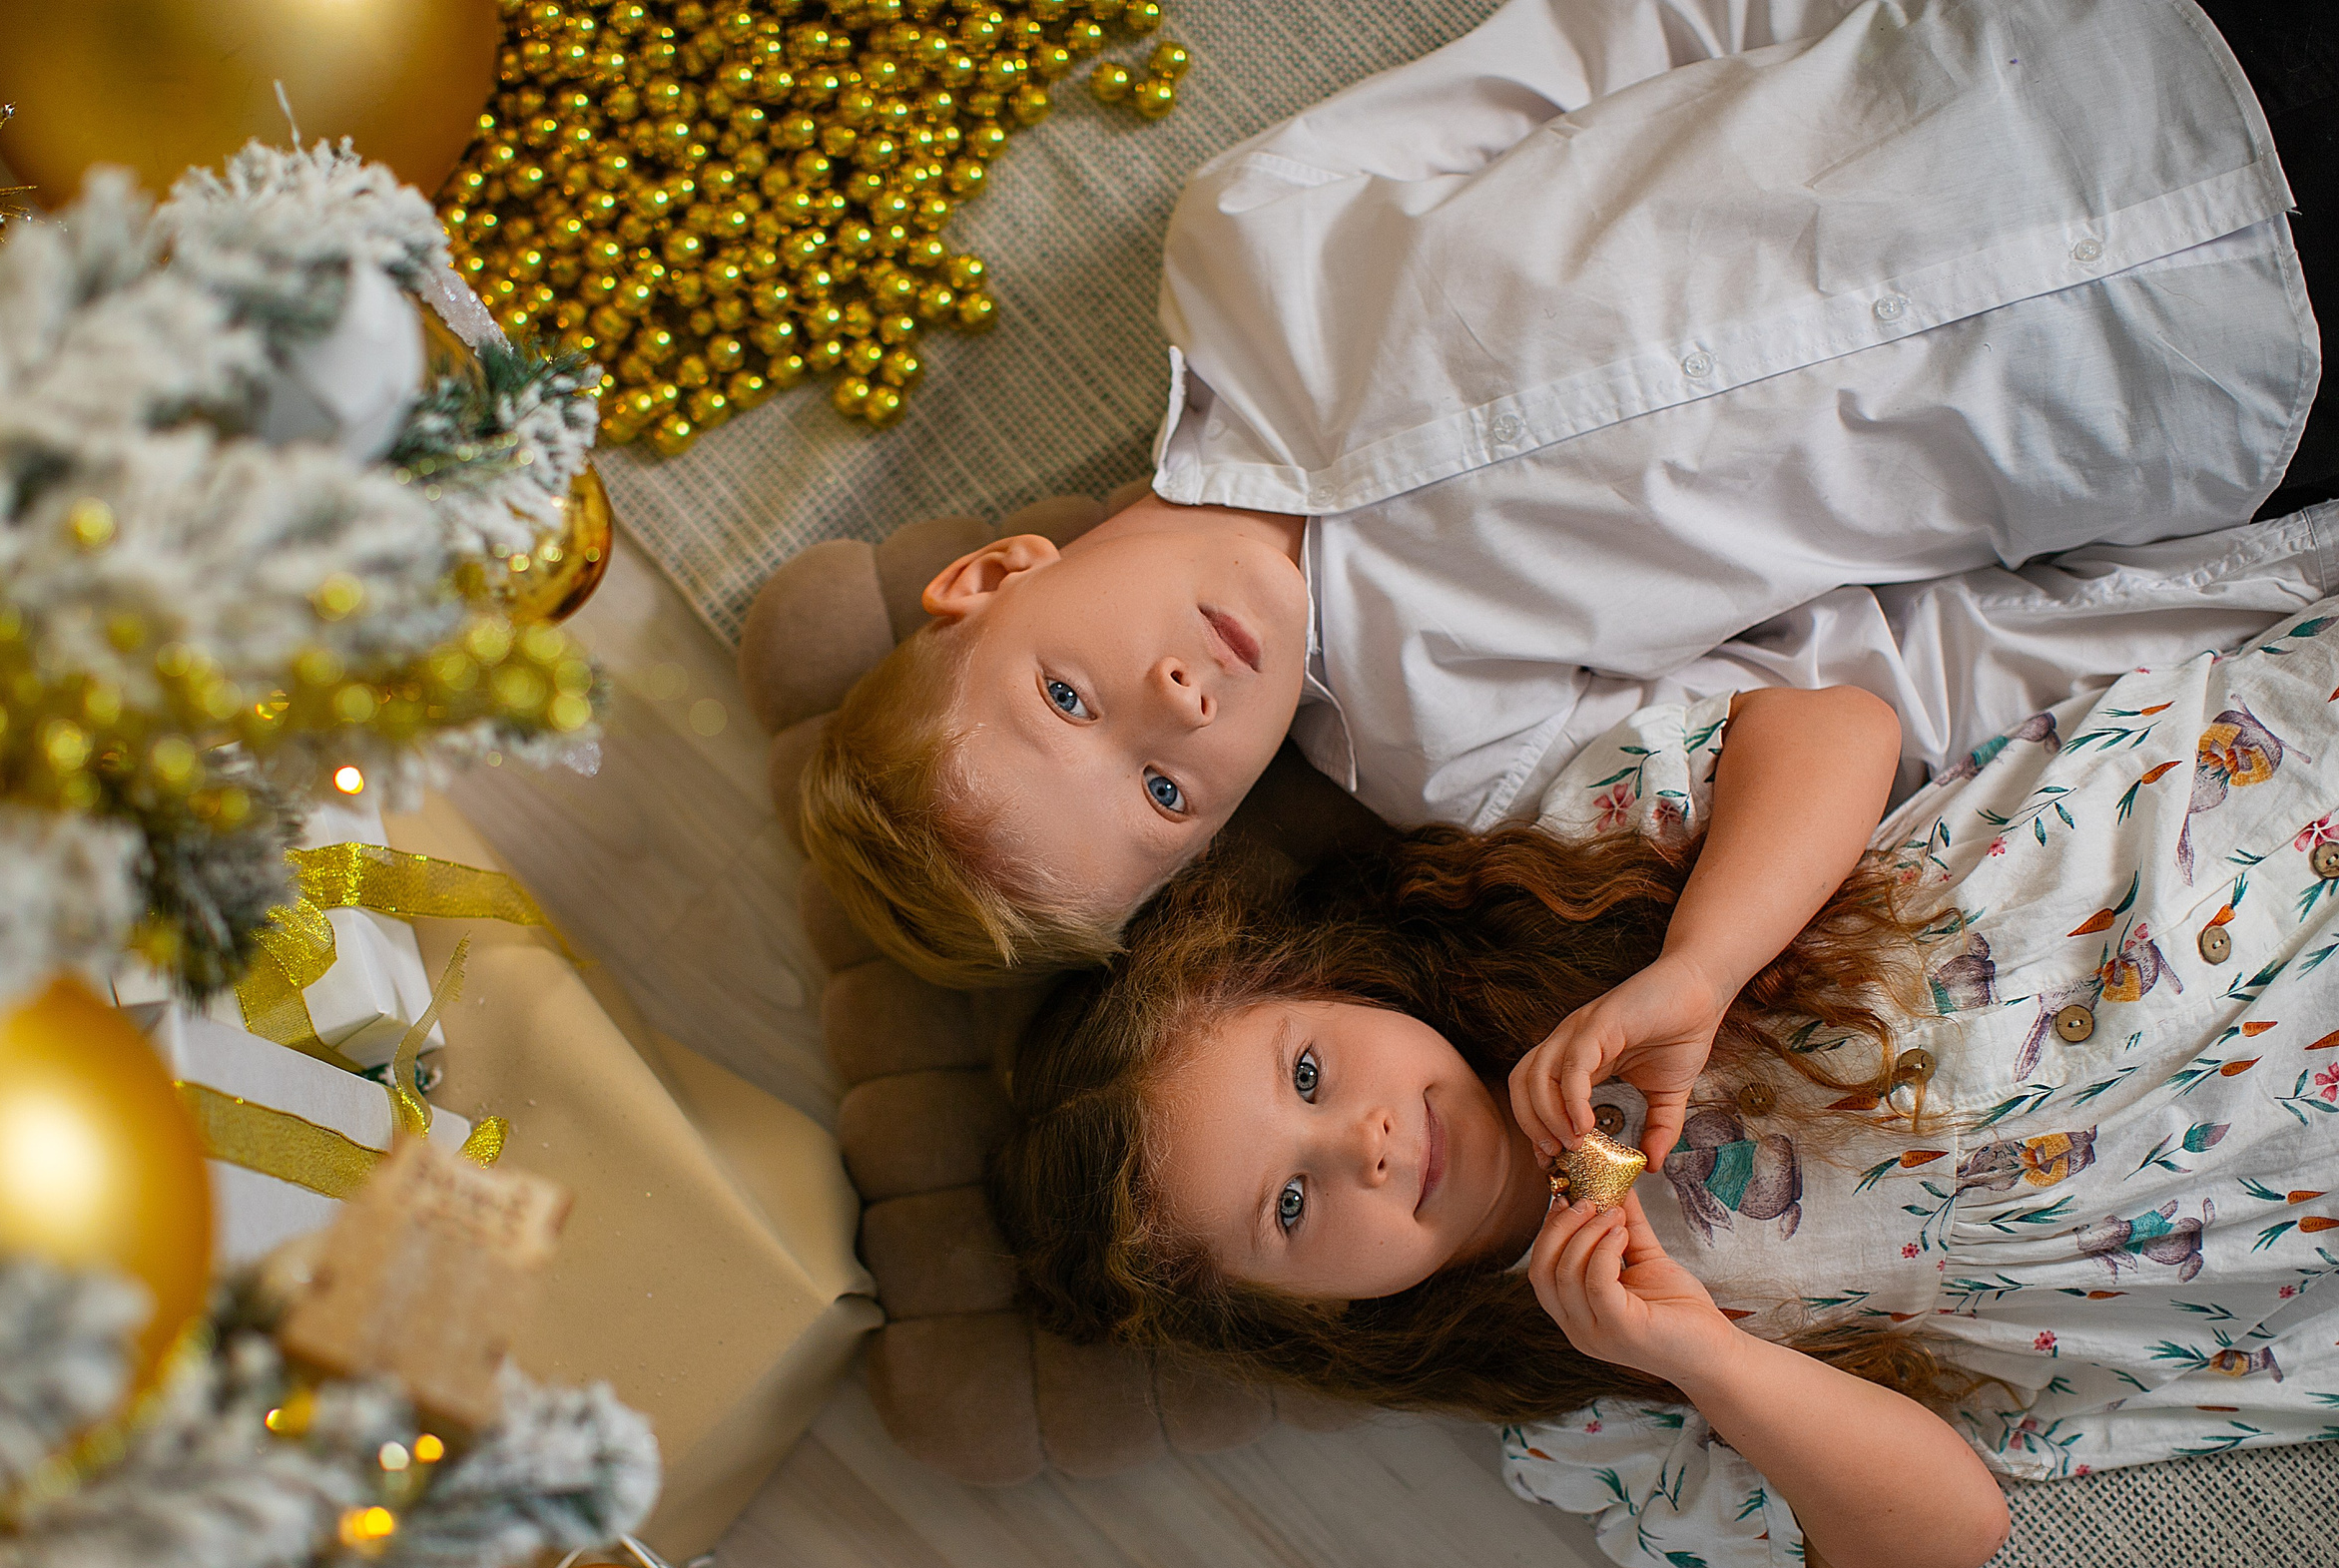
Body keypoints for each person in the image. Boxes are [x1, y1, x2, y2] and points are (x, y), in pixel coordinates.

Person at [799, 0, 2339, 986]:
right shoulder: (1457, 755)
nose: (1183, 701)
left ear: (992, 573)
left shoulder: (1251, 247)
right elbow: (1886, 673)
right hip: (2208, 381)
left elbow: (1623, 42)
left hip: (2100, 69)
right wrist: (2272, 569)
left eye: (1071, 698)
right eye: (1161, 792)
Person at [988, 592, 2339, 1568]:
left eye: (1308, 1072)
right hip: (2265, 1176)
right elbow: (1948, 1529)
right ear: (1312, 1316)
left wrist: (1700, 964)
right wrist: (1703, 1354)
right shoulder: (1583, 1419)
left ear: (1332, 985)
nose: (1370, 1143)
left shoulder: (1553, 885)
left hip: (2219, 838)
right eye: (1289, 1205)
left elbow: (1835, 729)